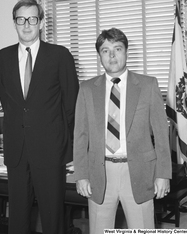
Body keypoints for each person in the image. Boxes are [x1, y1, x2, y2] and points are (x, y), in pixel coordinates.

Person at [73, 28, 172, 232]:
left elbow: (162, 135)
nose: (112, 55)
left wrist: (163, 174)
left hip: (138, 171)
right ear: (99, 55)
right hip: (100, 173)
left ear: (126, 52)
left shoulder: (147, 85)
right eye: (105, 50)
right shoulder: (87, 89)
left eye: (117, 49)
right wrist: (81, 175)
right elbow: (80, 136)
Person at [0, 0, 79, 234]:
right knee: (18, 217)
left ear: (41, 22)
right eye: (21, 20)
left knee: (52, 217)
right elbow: (10, 104)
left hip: (51, 151)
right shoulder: (1, 58)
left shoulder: (60, 55)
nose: (27, 25)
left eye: (32, 19)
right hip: (17, 151)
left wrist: (71, 150)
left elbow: (71, 105)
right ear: (14, 23)